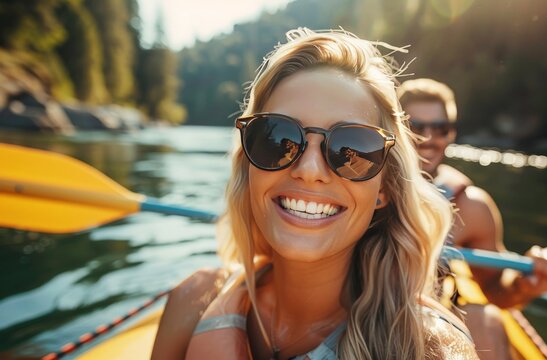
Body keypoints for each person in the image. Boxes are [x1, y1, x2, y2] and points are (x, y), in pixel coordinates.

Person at [151, 29, 479, 359]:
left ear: (386, 189)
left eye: (351, 146)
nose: (309, 169)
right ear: (248, 165)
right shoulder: (192, 302)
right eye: (276, 137)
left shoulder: (430, 348)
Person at [398, 78, 547, 359]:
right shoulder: (362, 190)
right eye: (415, 127)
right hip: (362, 313)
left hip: (429, 317)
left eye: (440, 128)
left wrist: (528, 283)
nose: (428, 138)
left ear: (452, 134)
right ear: (394, 127)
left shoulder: (472, 208)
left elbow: (497, 291)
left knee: (486, 319)